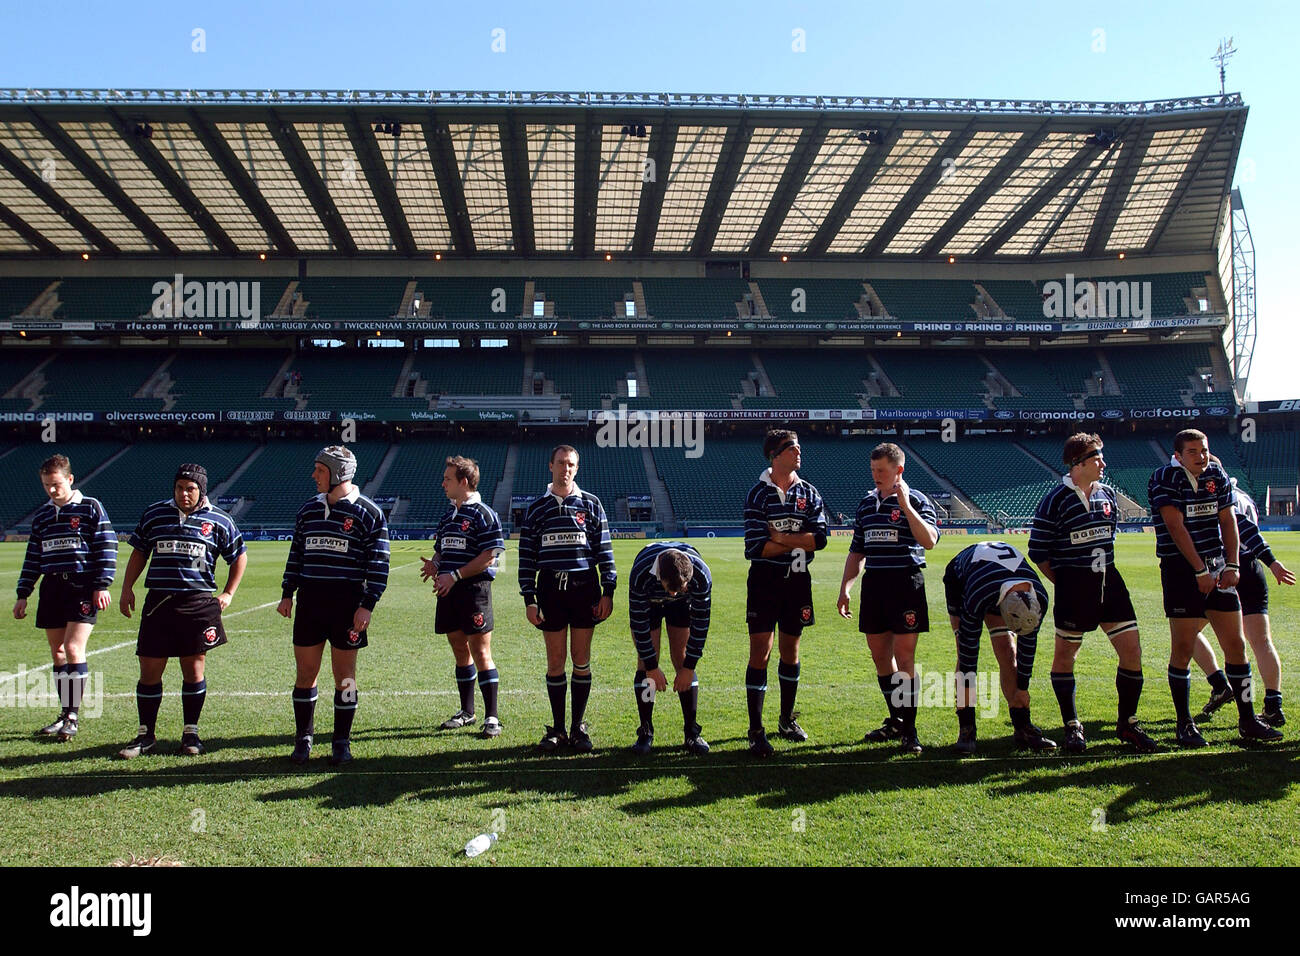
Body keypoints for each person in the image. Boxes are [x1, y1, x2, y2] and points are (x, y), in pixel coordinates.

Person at [1147, 429, 1280, 745]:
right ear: (1178, 455)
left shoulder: (1217, 474)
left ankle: (1247, 721)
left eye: (1204, 450)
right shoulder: (1164, 477)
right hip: (1181, 571)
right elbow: (1175, 526)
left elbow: (1229, 521)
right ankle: (1185, 724)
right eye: (1192, 451)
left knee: (1236, 645)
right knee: (1182, 646)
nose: (1201, 456)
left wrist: (1232, 565)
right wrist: (1198, 570)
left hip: (1217, 567)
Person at [1028, 433, 1158, 754]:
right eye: (1097, 458)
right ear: (1078, 464)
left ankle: (1127, 724)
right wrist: (1066, 581)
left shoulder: (1109, 495)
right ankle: (1072, 726)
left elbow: (1108, 538)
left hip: (1110, 585)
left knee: (1132, 651)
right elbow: (1038, 551)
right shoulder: (1054, 500)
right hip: (1075, 589)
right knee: (1065, 656)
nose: (1103, 463)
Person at [117, 465, 247, 758]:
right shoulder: (154, 514)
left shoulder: (219, 520)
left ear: (202, 490)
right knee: (149, 670)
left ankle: (191, 733)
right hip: (159, 602)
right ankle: (145, 735)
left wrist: (228, 592)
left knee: (193, 669)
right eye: (179, 488)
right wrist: (127, 588)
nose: (184, 494)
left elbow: (239, 555)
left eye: (190, 489)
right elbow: (139, 552)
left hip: (197, 604)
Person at [278, 446, 391, 766]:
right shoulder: (308, 510)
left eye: (320, 470)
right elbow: (296, 554)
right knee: (305, 673)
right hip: (310, 602)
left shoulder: (369, 512)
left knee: (346, 677)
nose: (314, 475)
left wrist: (367, 605)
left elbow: (379, 564)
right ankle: (304, 739)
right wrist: (288, 592)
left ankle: (341, 741)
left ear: (338, 474)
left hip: (347, 604)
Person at [837, 442, 940, 755]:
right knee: (880, 655)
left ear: (899, 470)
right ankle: (896, 720)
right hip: (875, 586)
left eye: (881, 470)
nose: (875, 475)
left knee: (906, 657)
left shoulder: (919, 500)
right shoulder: (867, 504)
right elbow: (857, 551)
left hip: (906, 583)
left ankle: (910, 731)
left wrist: (906, 505)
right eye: (872, 470)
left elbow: (930, 541)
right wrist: (845, 587)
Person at [518, 444, 616, 754]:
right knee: (555, 662)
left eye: (571, 464)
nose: (566, 469)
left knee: (581, 660)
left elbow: (604, 551)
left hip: (584, 586)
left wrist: (608, 591)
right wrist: (529, 599)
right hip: (550, 588)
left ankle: (578, 727)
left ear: (577, 468)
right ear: (551, 466)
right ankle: (558, 729)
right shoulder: (536, 509)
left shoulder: (591, 504)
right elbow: (526, 559)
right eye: (561, 463)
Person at [13, 454, 116, 742]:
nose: (52, 490)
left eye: (56, 484)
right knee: (57, 651)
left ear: (70, 479)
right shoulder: (43, 516)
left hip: (81, 586)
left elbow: (106, 547)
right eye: (47, 485)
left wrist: (102, 584)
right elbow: (33, 556)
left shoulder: (90, 507)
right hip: (52, 588)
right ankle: (64, 713)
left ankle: (72, 716)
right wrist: (23, 594)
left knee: (73, 648)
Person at [742, 429, 828, 757]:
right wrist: (796, 541)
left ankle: (786, 720)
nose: (799, 454)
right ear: (775, 455)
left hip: (798, 581)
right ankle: (755, 730)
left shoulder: (809, 492)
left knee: (790, 652)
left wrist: (781, 539)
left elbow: (819, 539)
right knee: (760, 654)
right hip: (764, 583)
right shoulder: (757, 494)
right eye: (793, 449)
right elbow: (755, 547)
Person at [1193, 474, 1293, 728]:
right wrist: (1270, 562)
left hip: (1225, 567)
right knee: (1261, 641)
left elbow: (1240, 527)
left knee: (1186, 631)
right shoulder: (1245, 496)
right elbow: (1252, 527)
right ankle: (1273, 705)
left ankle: (1219, 684)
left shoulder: (1214, 495)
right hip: (1252, 566)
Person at [942, 541, 1057, 754]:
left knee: (1008, 649)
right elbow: (970, 652)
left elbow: (1027, 645)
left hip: (998, 581)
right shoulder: (979, 594)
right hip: (962, 578)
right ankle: (966, 727)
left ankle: (1022, 726)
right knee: (963, 652)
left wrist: (1022, 688)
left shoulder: (1039, 597)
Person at [420, 456, 506, 739]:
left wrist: (454, 575)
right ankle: (467, 712)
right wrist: (435, 564)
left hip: (473, 592)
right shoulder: (448, 515)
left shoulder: (484, 513)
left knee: (481, 653)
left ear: (464, 482)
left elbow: (490, 555)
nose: (442, 483)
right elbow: (441, 549)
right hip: (448, 592)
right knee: (459, 650)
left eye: (447, 479)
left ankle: (492, 716)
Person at [627, 541, 712, 756]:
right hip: (650, 603)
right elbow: (639, 624)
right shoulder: (641, 574)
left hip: (683, 607)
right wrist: (652, 667)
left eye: (680, 588)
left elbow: (701, 623)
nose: (673, 594)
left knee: (682, 660)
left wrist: (688, 668)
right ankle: (645, 731)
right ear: (660, 577)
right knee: (645, 662)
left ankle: (691, 732)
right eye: (670, 588)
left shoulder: (701, 574)